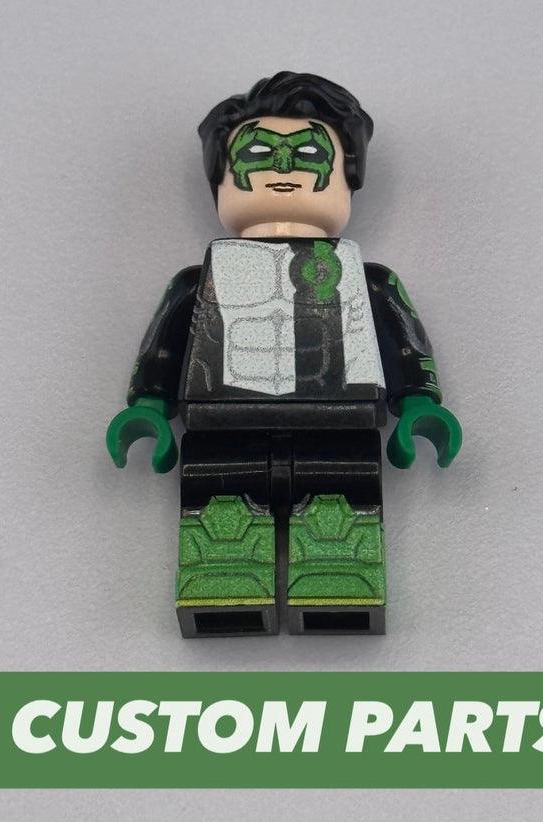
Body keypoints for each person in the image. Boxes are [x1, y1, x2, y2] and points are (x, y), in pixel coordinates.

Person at [107, 72, 461, 637]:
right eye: (257, 154)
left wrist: (419, 402)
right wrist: (148, 406)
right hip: (221, 421)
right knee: (220, 511)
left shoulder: (366, 278)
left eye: (308, 155)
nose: (282, 169)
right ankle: (226, 590)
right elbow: (166, 346)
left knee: (339, 510)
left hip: (341, 421)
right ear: (222, 179)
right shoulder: (199, 281)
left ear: (347, 177)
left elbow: (403, 342)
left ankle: (337, 590)